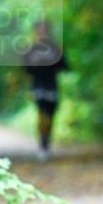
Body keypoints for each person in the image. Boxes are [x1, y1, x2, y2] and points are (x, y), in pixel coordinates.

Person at [21, 20, 68, 162]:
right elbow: (25, 69)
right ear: (35, 31)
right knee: (42, 115)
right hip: (38, 87)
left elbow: (65, 66)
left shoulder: (55, 48)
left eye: (44, 30)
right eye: (39, 30)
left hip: (52, 86)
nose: (42, 32)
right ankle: (42, 145)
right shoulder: (31, 49)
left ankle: (46, 143)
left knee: (51, 116)